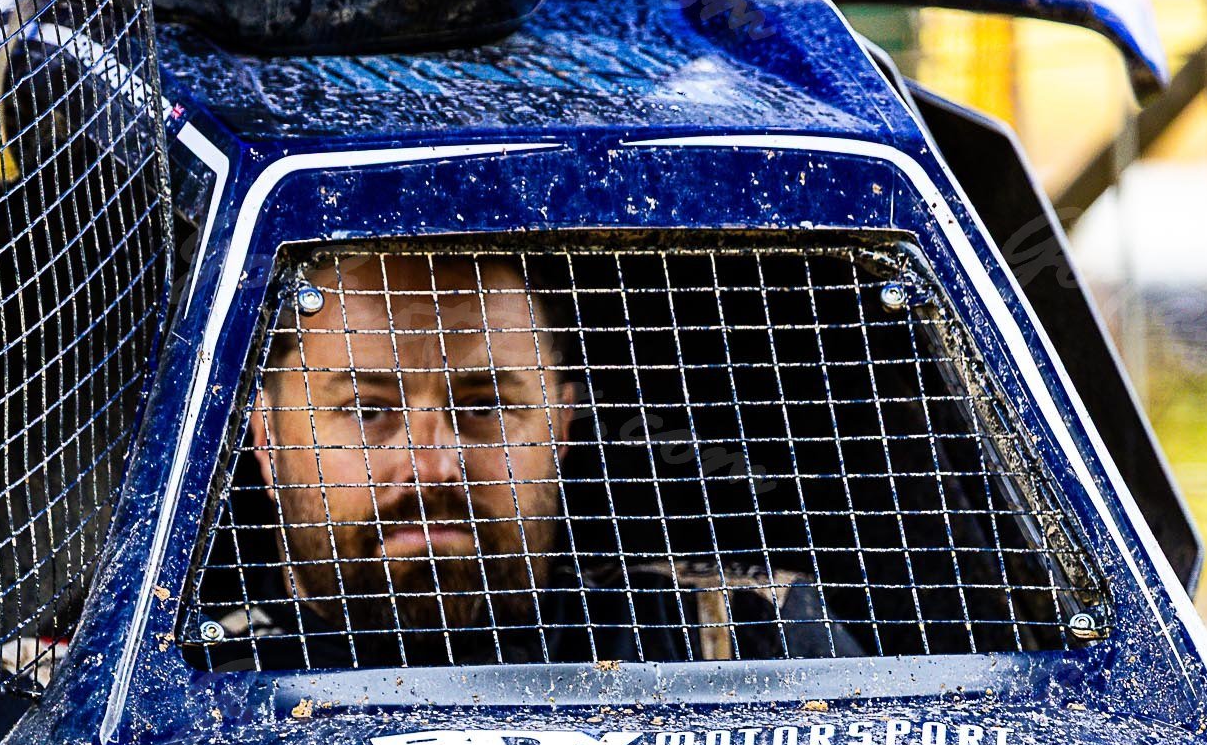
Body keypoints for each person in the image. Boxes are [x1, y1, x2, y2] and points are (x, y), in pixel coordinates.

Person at [194, 251, 860, 670]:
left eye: (485, 405)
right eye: (368, 411)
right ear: (267, 437)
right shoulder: (186, 675)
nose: (432, 465)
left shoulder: (738, 634)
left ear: (561, 425)